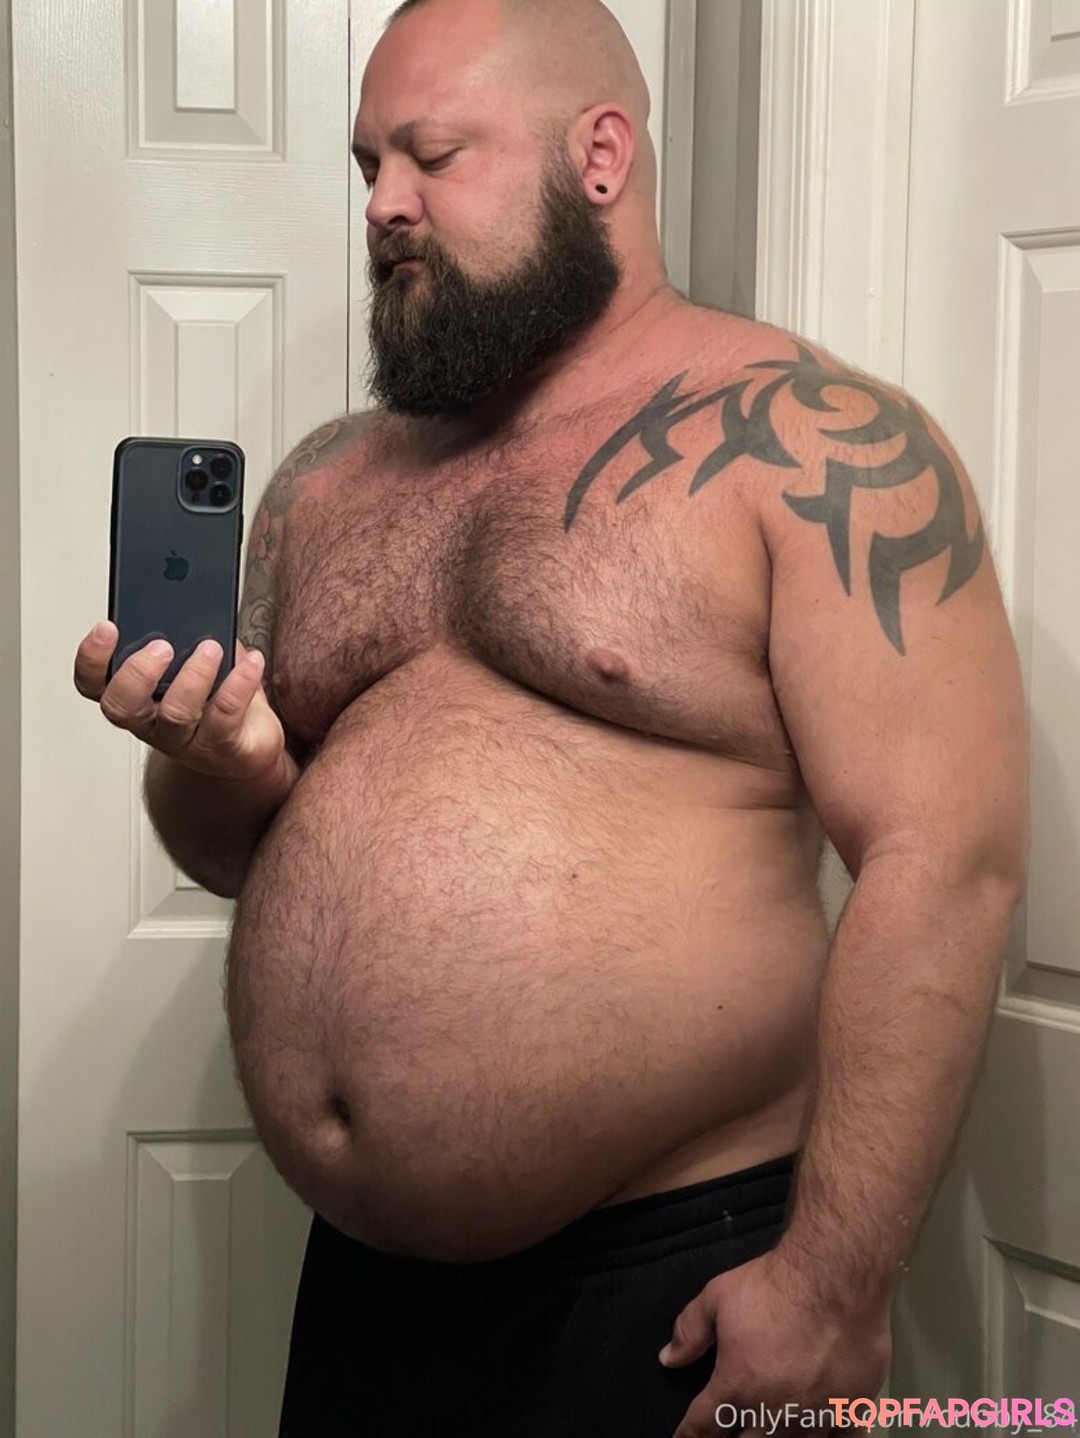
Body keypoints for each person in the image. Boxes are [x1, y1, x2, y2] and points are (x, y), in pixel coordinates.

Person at [74, 0, 1028, 1433]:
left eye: (433, 154)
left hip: (666, 1288)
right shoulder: (330, 482)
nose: (383, 205)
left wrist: (834, 1282)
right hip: (365, 1299)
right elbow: (225, 850)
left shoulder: (813, 446)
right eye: (368, 166)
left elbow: (945, 859)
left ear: (599, 157)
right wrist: (226, 766)